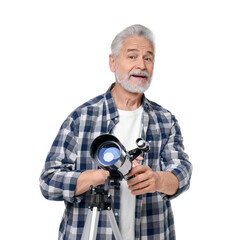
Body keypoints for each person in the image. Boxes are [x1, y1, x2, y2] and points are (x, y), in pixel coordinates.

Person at [40, 24, 192, 240]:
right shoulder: (81, 118)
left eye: (148, 58)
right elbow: (48, 181)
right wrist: (94, 177)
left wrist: (157, 180)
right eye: (132, 56)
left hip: (152, 232)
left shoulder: (165, 120)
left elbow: (183, 172)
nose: (141, 65)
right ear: (113, 62)